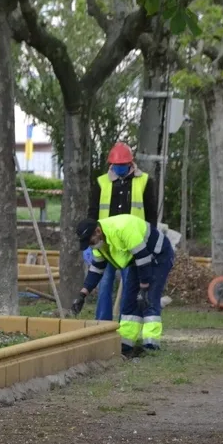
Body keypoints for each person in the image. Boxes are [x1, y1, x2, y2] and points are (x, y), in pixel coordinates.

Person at [71, 214, 175, 357]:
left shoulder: (123, 228)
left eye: (90, 241)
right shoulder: (99, 243)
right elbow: (97, 269)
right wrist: (82, 294)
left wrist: (144, 288)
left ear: (97, 231)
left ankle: (151, 346)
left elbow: (143, 258)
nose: (91, 245)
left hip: (158, 256)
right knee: (129, 301)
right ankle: (126, 344)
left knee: (149, 298)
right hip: (136, 261)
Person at [86, 142, 158, 322]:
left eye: (122, 165)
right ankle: (102, 324)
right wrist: (90, 241)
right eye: (115, 165)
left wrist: (150, 242)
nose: (118, 168)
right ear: (111, 164)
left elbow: (151, 214)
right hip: (106, 243)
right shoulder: (101, 183)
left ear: (130, 163)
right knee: (104, 284)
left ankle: (126, 324)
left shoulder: (144, 181)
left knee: (130, 286)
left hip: (133, 244)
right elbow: (92, 214)